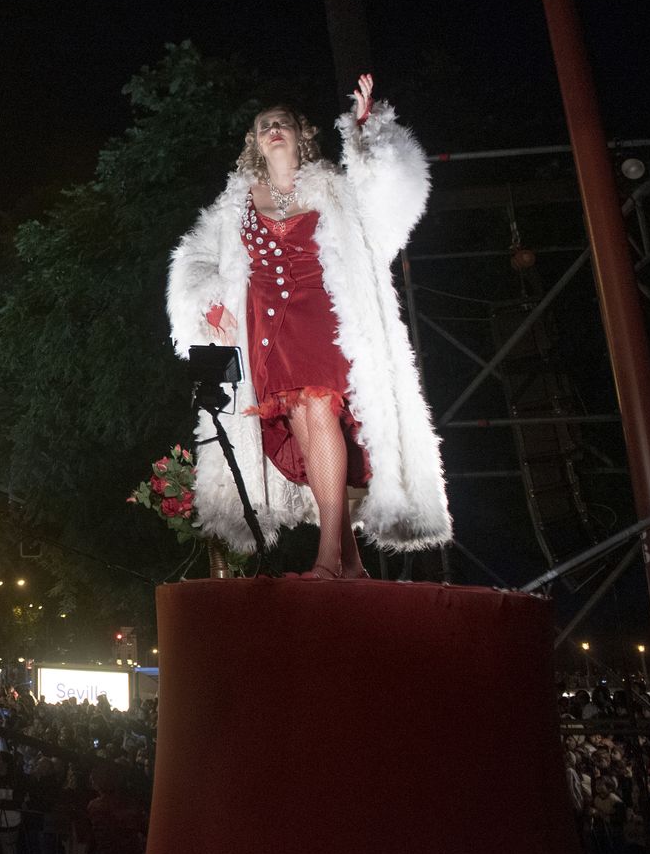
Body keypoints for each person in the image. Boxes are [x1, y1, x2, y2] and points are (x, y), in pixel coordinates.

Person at [166, 74, 450, 574]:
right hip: (266, 331)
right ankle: (353, 565)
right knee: (307, 425)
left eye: (283, 123)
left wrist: (368, 134)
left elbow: (389, 206)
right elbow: (195, 260)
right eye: (263, 126)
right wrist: (208, 303)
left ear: (301, 134)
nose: (274, 129)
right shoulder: (235, 204)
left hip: (325, 319)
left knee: (318, 410)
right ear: (254, 142)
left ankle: (327, 561)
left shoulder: (335, 188)